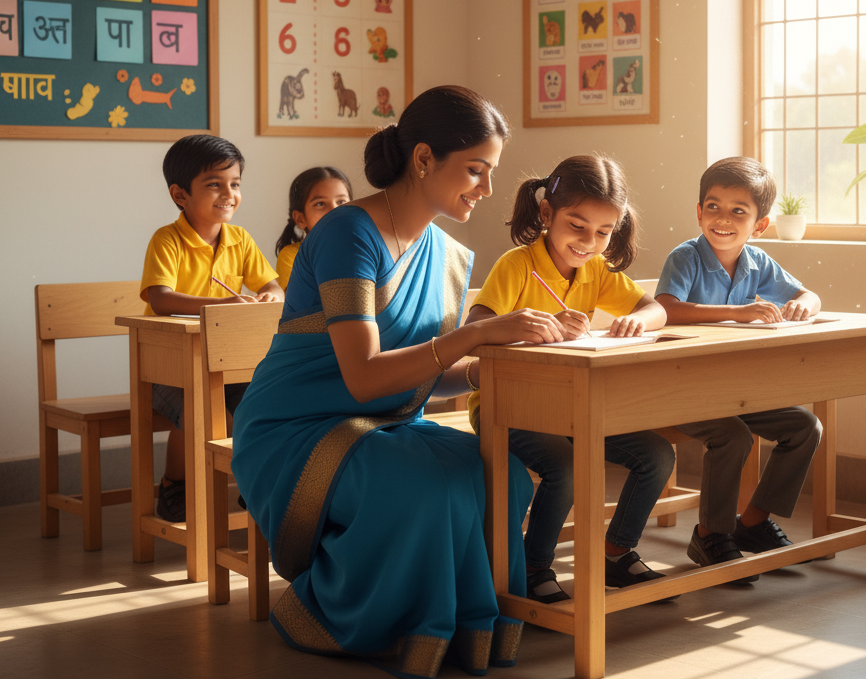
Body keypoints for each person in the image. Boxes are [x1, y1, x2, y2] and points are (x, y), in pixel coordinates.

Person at [231, 86, 560, 678]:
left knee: (503, 473)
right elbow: (362, 378)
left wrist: (495, 362)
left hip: (385, 424)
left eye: (491, 173)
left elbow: (426, 374)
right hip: (298, 428)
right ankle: (351, 615)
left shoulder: (449, 254)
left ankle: (467, 629)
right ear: (425, 158)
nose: (486, 190)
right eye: (476, 171)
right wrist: (476, 336)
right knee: (424, 489)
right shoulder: (346, 233)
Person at [465, 154, 675, 605]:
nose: (588, 242)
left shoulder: (595, 269)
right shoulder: (516, 265)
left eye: (603, 232)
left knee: (656, 454)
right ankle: (535, 567)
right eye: (577, 226)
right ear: (546, 214)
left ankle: (616, 554)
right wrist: (530, 328)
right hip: (507, 407)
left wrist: (640, 321)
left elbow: (656, 307)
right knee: (565, 466)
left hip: (572, 406)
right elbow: (476, 330)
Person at [655, 156, 822, 583]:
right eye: (713, 207)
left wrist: (806, 303)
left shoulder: (758, 261)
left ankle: (752, 522)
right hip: (679, 390)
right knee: (733, 435)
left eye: (738, 211)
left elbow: (808, 293)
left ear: (760, 225)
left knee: (805, 426)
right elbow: (668, 309)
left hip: (734, 391)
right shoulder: (686, 257)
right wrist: (740, 313)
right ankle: (710, 533)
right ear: (698, 212)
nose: (722, 219)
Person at [140, 134, 283, 523]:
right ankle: (174, 486)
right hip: (169, 368)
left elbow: (270, 284)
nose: (228, 193)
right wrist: (220, 304)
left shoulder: (240, 239)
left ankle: (256, 483)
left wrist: (271, 295)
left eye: (235, 184)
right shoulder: (167, 240)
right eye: (214, 184)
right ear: (179, 194)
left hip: (224, 362)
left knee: (265, 404)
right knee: (200, 409)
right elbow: (160, 298)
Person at [274, 166, 353, 289]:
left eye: (341, 202)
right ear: (301, 219)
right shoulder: (292, 257)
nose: (334, 211)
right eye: (320, 204)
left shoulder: (363, 249)